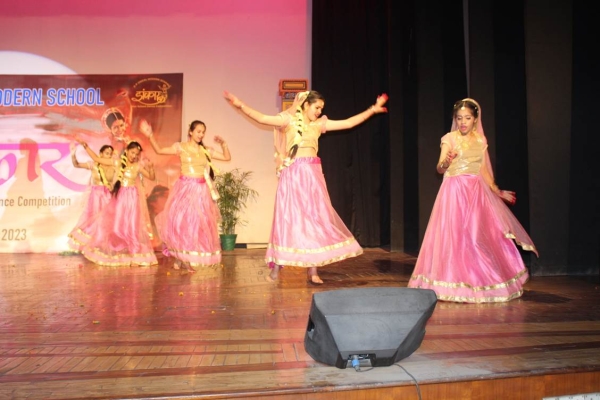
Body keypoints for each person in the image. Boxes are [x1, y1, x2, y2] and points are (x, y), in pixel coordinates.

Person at [223, 89, 388, 284]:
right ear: (306, 105)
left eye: (321, 109)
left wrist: (372, 109)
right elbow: (262, 118)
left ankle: (313, 270)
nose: (319, 111)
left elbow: (348, 123)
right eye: (317, 107)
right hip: (292, 176)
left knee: (315, 219)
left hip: (312, 177)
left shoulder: (318, 125)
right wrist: (240, 105)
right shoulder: (289, 121)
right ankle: (277, 267)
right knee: (287, 219)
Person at [408, 98, 538, 303]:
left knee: (476, 237)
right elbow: (440, 168)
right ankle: (452, 281)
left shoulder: (480, 140)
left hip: (475, 193)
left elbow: (483, 169)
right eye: (459, 118)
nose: (463, 122)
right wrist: (446, 161)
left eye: (467, 118)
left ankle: (477, 279)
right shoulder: (449, 138)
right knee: (454, 236)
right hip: (454, 192)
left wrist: (496, 190)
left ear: (475, 119)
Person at [139, 119, 231, 272]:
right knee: (183, 223)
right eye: (198, 131)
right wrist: (150, 135)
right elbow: (159, 150)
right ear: (191, 132)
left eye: (203, 132)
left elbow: (227, 158)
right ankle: (182, 257)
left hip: (201, 191)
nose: (201, 135)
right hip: (185, 190)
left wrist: (224, 144)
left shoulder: (205, 150)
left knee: (197, 225)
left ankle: (185, 257)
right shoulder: (181, 147)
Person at [74, 139, 158, 266]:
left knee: (132, 226)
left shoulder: (137, 166)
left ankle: (135, 255)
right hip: (120, 198)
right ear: (127, 151)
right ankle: (118, 251)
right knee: (118, 227)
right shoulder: (118, 162)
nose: (134, 156)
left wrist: (151, 168)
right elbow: (96, 159)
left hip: (132, 199)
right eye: (132, 153)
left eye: (136, 154)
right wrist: (85, 146)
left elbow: (151, 177)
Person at [67, 143, 115, 251]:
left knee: (107, 221)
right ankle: (94, 245)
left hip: (108, 196)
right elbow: (76, 165)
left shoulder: (113, 166)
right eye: (107, 153)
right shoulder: (94, 165)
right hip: (96, 196)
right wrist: (73, 155)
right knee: (95, 220)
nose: (109, 156)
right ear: (101, 154)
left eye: (110, 154)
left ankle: (105, 246)